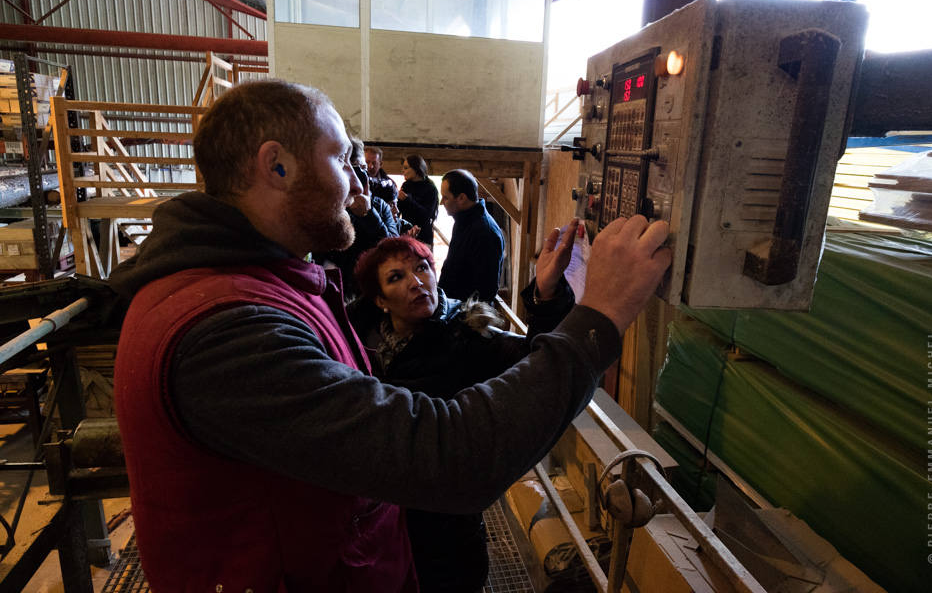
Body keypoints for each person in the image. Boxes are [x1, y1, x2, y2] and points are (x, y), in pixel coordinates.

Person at [109, 79, 672, 593]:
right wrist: (601, 314)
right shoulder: (225, 330)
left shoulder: (264, 288)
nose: (358, 183)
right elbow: (448, 456)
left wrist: (549, 303)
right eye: (342, 159)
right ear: (276, 166)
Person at [348, 223, 577, 592]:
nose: (416, 282)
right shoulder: (362, 340)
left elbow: (536, 361)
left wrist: (547, 295)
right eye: (396, 277)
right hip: (382, 517)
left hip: (444, 528)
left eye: (422, 268)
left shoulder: (469, 333)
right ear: (380, 301)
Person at [319, 137, 399, 298]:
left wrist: (368, 215)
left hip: (368, 293)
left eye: (362, 169)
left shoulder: (379, 207)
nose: (357, 177)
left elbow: (394, 252)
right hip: (331, 291)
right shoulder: (324, 205)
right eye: (350, 169)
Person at [438, 169, 505, 302]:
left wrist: (459, 312)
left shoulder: (485, 232)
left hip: (466, 313)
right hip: (452, 306)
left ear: (462, 198)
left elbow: (484, 291)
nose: (441, 202)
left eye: (445, 197)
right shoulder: (462, 220)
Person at [396, 154, 438, 249]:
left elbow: (426, 214)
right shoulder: (406, 185)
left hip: (423, 236)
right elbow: (400, 210)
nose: (402, 171)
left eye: (406, 168)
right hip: (407, 234)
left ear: (416, 168)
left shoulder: (430, 189)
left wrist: (407, 200)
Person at [363, 144, 399, 211]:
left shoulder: (390, 185)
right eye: (367, 162)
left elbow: (395, 207)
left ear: (380, 164)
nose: (370, 166)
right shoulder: (356, 181)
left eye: (374, 163)